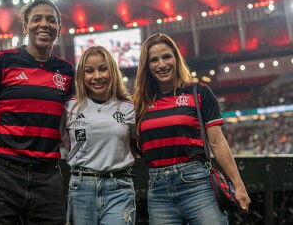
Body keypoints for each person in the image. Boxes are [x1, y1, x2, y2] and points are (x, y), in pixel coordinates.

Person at [0, 0, 74, 224]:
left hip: (48, 176)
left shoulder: (67, 71)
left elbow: (76, 115)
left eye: (51, 20)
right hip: (3, 174)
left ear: (59, 28)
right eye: (37, 19)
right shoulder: (1, 61)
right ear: (25, 26)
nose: (44, 24)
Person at [133, 33, 250, 224]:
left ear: (176, 58)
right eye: (153, 60)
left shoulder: (199, 92)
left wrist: (238, 184)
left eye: (166, 57)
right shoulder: (140, 103)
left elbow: (217, 142)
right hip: (158, 191)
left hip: (198, 186)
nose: (161, 64)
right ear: (146, 67)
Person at [63, 46, 136, 225]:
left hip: (119, 187)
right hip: (81, 187)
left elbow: (140, 144)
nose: (97, 76)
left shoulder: (129, 107)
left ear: (112, 70)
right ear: (81, 75)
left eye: (103, 69)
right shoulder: (69, 106)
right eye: (89, 71)